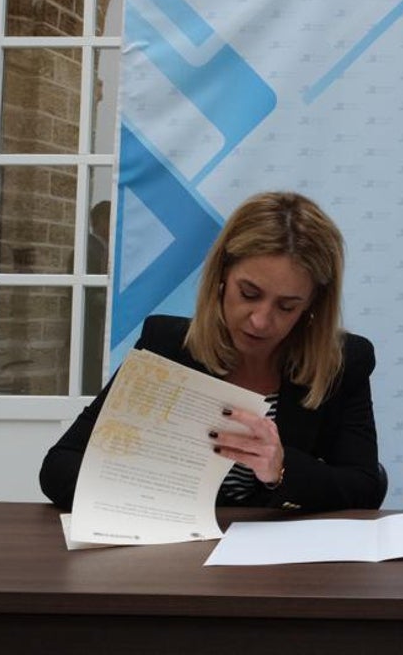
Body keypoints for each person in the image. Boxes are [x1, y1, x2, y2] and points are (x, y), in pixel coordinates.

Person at [40, 191, 385, 511]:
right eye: (249, 294)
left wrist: (282, 468)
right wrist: (151, 490)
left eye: (287, 307)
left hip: (285, 569)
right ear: (221, 278)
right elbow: (59, 468)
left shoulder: (343, 361)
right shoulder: (167, 348)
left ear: (312, 306)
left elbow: (366, 487)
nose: (261, 321)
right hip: (178, 560)